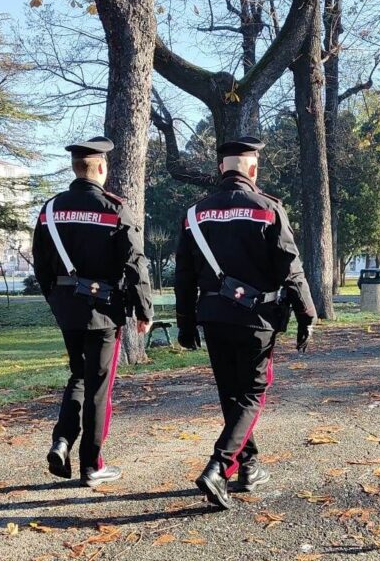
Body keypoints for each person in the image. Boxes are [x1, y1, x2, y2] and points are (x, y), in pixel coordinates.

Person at [174, 136, 316, 510]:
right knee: (252, 394)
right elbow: (291, 267)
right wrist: (306, 314)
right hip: (256, 318)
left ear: (222, 168)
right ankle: (219, 467)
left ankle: (248, 466)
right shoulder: (268, 209)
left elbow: (184, 275)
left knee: (231, 395)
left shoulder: (194, 214)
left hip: (214, 317)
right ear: (252, 168)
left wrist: (185, 324)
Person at [32, 136, 153, 488]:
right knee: (100, 387)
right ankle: (91, 465)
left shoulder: (51, 209)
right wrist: (143, 309)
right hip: (104, 312)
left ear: (75, 168)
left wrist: (56, 300)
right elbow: (135, 263)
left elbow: (40, 263)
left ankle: (62, 440)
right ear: (101, 168)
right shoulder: (113, 209)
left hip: (67, 309)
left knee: (78, 376)